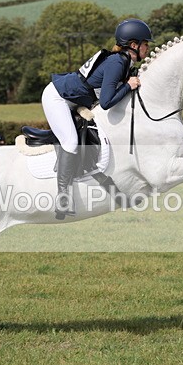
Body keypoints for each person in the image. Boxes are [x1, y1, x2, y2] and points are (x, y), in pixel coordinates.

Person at [42, 18, 152, 218]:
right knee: (71, 141)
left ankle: (114, 192)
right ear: (133, 45)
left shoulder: (124, 62)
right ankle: (63, 197)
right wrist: (129, 86)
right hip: (57, 97)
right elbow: (106, 102)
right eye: (146, 44)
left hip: (75, 100)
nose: (148, 48)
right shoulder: (117, 62)